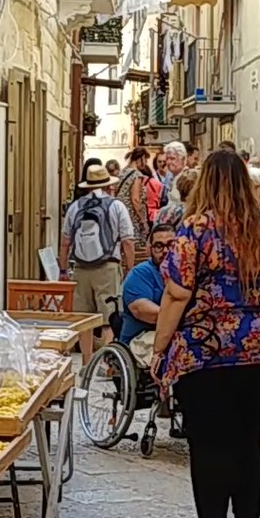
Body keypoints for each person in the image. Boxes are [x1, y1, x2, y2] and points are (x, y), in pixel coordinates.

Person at [152, 150, 260, 518]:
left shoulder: (194, 229)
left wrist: (161, 347)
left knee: (211, 443)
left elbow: (177, 292)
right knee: (250, 438)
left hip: (207, 351)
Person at [59, 164, 135, 362]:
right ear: (108, 184)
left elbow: (65, 241)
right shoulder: (116, 206)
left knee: (84, 318)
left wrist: (63, 269)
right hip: (107, 266)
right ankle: (108, 361)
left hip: (82, 267)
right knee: (110, 316)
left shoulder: (75, 207)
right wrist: (130, 268)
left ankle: (86, 360)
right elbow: (127, 240)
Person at [120, 223, 176, 356]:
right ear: (149, 249)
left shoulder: (184, 273)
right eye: (159, 246)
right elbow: (144, 312)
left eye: (171, 245)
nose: (165, 251)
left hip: (172, 334)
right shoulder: (140, 273)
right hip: (141, 339)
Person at [115, 147, 151, 259]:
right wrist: (143, 220)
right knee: (134, 249)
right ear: (141, 158)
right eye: (145, 160)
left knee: (122, 248)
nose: (145, 164)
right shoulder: (136, 175)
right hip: (132, 217)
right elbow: (135, 199)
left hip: (120, 214)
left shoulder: (122, 173)